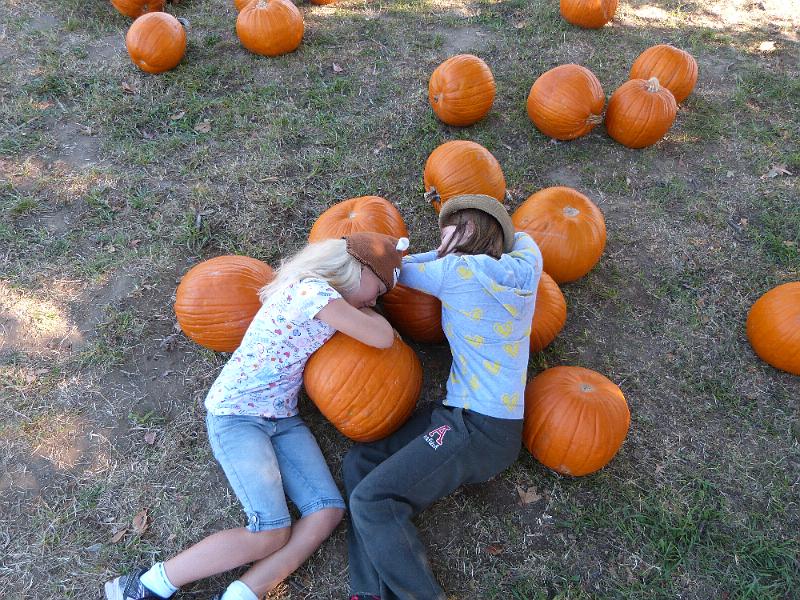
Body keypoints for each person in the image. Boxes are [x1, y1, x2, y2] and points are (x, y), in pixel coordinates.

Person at [105, 232, 409, 600]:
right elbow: (381, 338)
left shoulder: (329, 300)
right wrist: (374, 313)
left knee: (327, 511)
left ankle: (241, 594)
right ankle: (147, 584)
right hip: (237, 415)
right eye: (377, 289)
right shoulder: (312, 292)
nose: (375, 300)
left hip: (281, 416)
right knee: (270, 531)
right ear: (355, 268)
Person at [344, 194, 543, 600]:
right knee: (359, 461)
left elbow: (394, 272)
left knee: (373, 500)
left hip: (478, 427)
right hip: (462, 415)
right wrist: (490, 234)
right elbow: (522, 238)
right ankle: (370, 592)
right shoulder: (528, 265)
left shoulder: (455, 271)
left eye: (447, 229)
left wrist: (428, 251)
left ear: (467, 231)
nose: (440, 238)